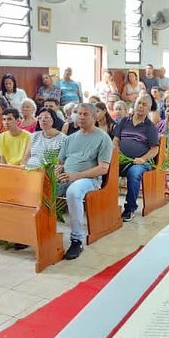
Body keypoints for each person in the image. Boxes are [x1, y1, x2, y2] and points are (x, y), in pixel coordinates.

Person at [56, 104, 115, 261]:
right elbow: (60, 162)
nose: (80, 117)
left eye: (85, 114)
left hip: (89, 180)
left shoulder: (103, 138)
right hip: (66, 177)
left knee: (73, 191)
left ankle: (77, 240)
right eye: (78, 113)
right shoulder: (70, 138)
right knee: (39, 187)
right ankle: (40, 235)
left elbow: (103, 168)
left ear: (95, 118)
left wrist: (75, 176)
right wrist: (56, 170)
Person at [114, 95, 161, 221]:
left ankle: (130, 208)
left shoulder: (150, 127)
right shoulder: (124, 121)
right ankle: (106, 205)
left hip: (140, 162)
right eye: (139, 103)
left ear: (149, 108)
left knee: (134, 173)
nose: (140, 106)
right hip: (122, 160)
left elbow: (154, 149)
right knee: (105, 169)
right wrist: (116, 150)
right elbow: (116, 140)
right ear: (134, 105)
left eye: (144, 104)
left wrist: (143, 159)